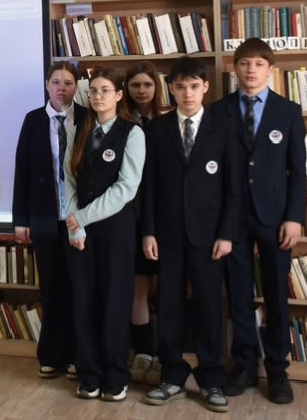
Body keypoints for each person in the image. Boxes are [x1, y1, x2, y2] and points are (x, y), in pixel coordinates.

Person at [141, 56, 242, 412]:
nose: (188, 93)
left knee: (208, 306)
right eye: (181, 87)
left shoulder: (224, 127)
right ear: (171, 88)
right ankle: (172, 375)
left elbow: (234, 188)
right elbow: (148, 187)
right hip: (167, 235)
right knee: (168, 305)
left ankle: (211, 378)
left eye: (194, 87)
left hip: (210, 236)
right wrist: (148, 232)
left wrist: (227, 234)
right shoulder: (157, 129)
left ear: (206, 88)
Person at [214, 38, 306, 405]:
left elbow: (297, 170)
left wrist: (294, 218)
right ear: (234, 68)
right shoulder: (218, 111)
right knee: (238, 294)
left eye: (258, 64)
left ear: (270, 70)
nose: (250, 70)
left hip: (275, 217)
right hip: (232, 219)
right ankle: (244, 365)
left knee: (276, 296)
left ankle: (278, 369)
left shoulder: (288, 111)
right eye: (244, 63)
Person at [64, 68, 145, 402]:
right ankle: (90, 374)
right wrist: (76, 227)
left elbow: (126, 187)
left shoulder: (132, 133)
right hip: (80, 233)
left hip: (116, 230)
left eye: (105, 90)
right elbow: (69, 180)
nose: (97, 96)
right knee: (84, 302)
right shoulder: (77, 130)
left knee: (115, 302)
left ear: (119, 95)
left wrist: (80, 217)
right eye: (93, 91)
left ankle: (115, 375)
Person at [12, 61, 86, 379]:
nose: (61, 88)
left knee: (80, 290)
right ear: (47, 85)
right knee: (52, 291)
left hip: (78, 220)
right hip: (44, 219)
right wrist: (20, 218)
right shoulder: (33, 121)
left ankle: (80, 356)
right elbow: (22, 172)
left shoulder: (87, 119)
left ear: (76, 87)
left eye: (68, 83)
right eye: (56, 82)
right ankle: (53, 355)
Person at [123, 61, 164, 383]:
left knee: (169, 289)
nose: (141, 91)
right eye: (135, 85)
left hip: (165, 217)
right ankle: (144, 350)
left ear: (157, 88)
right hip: (131, 216)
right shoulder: (120, 123)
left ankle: (167, 352)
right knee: (137, 288)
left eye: (147, 85)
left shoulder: (166, 122)